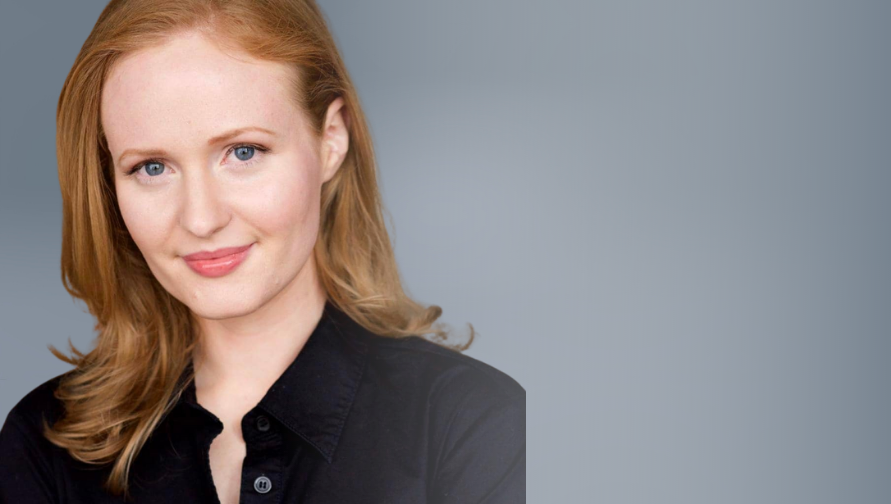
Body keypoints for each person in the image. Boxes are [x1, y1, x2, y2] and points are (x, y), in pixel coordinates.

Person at [0, 1, 525, 503]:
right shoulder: (44, 445)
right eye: (152, 168)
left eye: (243, 152)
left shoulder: (475, 426)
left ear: (331, 139)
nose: (201, 219)